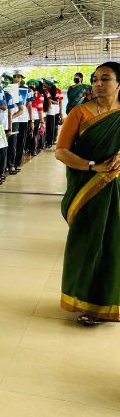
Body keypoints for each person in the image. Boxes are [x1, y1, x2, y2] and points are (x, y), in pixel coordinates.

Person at [55, 61, 120, 325]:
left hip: (117, 189)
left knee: (114, 244)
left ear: (119, 83)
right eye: (95, 79)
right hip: (87, 190)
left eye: (105, 79)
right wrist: (92, 166)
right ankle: (87, 302)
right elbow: (61, 151)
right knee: (87, 244)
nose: (97, 84)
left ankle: (111, 301)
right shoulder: (79, 112)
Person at [42, 78, 63, 148]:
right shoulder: (45, 90)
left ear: (49, 85)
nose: (44, 84)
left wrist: (60, 112)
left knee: (52, 126)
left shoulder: (57, 91)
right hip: (47, 110)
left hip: (52, 110)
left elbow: (58, 102)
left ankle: (50, 141)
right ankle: (47, 141)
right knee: (48, 126)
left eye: (45, 83)